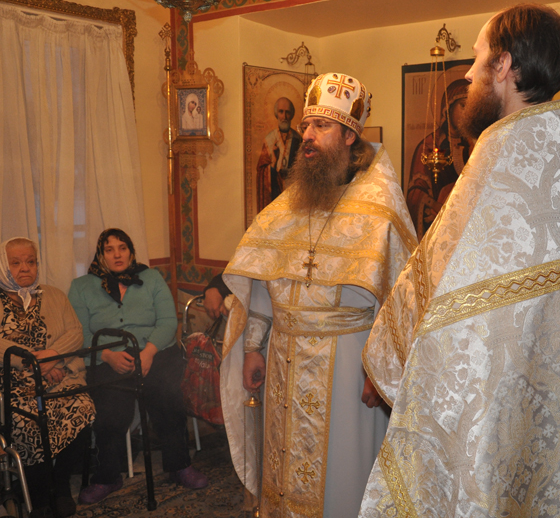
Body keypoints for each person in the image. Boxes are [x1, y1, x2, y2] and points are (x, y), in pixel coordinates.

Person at [358, 4, 560, 517]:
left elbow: (435, 282)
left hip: (498, 403)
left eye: (477, 58)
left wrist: (385, 350)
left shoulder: (504, 158)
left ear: (505, 65)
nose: (468, 75)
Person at [220, 72, 418, 517]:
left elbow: (401, 298)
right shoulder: (288, 206)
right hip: (283, 360)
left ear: (349, 136)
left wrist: (381, 372)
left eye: (321, 126)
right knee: (282, 472)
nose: (306, 135)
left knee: (342, 479)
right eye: (306, 125)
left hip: (349, 367)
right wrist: (253, 347)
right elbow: (263, 284)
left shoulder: (380, 210)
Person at [68, 228, 207, 504]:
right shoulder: (81, 287)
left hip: (154, 351)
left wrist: (149, 353)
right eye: (109, 249)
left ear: (131, 252)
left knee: (168, 397)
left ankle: (179, 465)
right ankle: (108, 476)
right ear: (100, 254)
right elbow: (79, 333)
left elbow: (168, 321)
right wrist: (108, 356)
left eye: (123, 248)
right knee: (110, 411)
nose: (117, 254)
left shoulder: (151, 277)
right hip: (107, 357)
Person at [0, 238, 94, 518]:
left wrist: (54, 356)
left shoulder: (54, 295)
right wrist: (35, 363)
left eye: (31, 261)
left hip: (58, 375)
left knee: (83, 407)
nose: (25, 268)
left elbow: (75, 332)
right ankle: (39, 494)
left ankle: (60, 485)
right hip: (14, 383)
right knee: (28, 422)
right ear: (4, 266)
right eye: (16, 263)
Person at [406, 79, 473, 238]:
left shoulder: (473, 145)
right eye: (463, 106)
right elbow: (415, 193)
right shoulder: (429, 145)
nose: (467, 113)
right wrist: (435, 206)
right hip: (435, 226)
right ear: (448, 108)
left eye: (470, 108)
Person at [256, 96, 303, 210]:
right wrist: (273, 164)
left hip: (292, 192)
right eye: (281, 112)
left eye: (287, 112)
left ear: (292, 114)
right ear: (276, 114)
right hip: (275, 191)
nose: (284, 117)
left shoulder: (298, 139)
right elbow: (261, 171)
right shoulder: (269, 139)